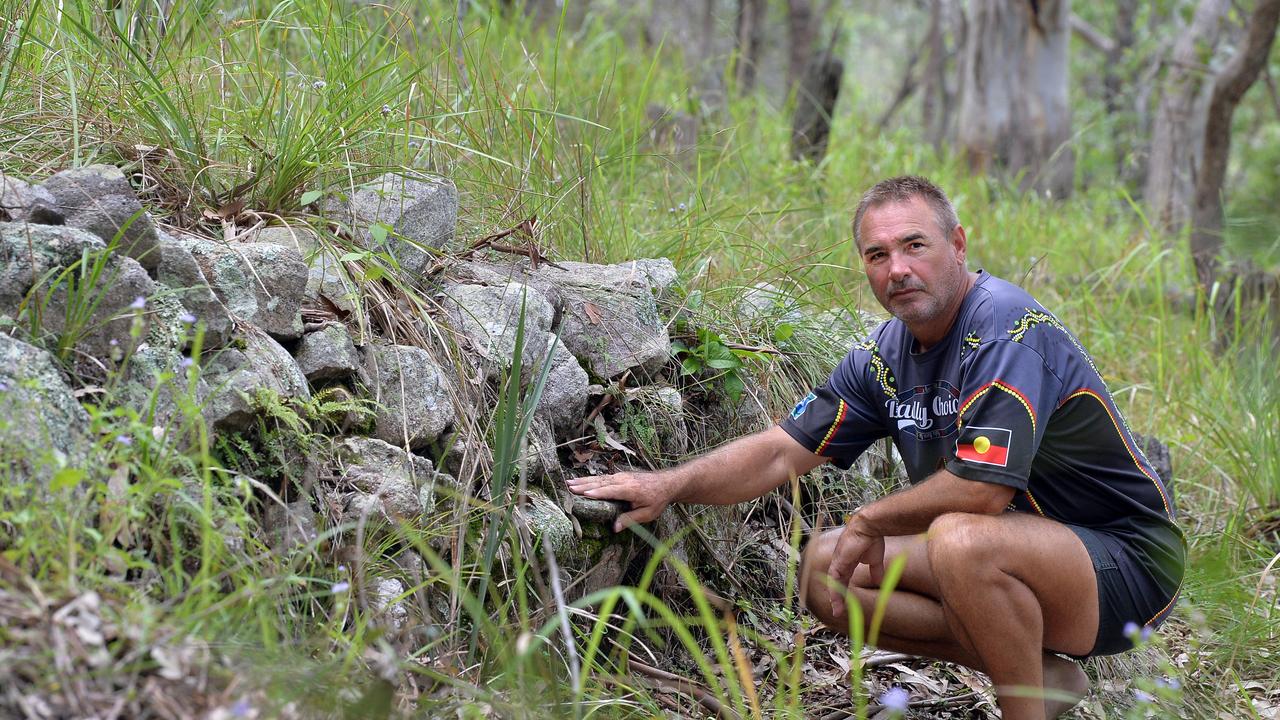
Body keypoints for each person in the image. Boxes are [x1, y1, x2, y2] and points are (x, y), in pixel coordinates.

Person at [567, 176, 1184, 720]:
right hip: (1017, 552)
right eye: (877, 254)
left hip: (1124, 561)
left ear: (959, 245)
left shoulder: (1005, 328)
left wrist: (872, 516)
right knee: (826, 569)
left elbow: (982, 489)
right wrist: (667, 484)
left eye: (915, 245)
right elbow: (782, 452)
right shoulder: (883, 357)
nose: (897, 269)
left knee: (960, 539)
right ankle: (1045, 680)